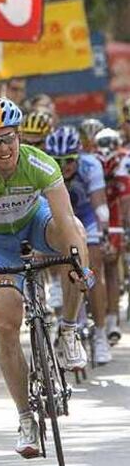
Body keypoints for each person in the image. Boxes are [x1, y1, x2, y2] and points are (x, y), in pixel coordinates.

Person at [0, 97, 93, 459]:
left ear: (19, 137)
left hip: (35, 225)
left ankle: (68, 329)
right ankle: (26, 417)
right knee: (6, 322)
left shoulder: (38, 163)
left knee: (74, 236)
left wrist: (79, 265)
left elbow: (66, 221)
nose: (4, 147)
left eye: (10, 138)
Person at [45, 126, 111, 364]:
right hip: (61, 218)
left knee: (93, 269)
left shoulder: (90, 165)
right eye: (58, 161)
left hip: (87, 217)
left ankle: (101, 334)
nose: (64, 166)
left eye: (69, 160)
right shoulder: (45, 168)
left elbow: (100, 205)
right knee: (51, 246)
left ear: (78, 155)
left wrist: (104, 234)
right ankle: (56, 287)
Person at [95, 128, 130, 344]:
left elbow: (126, 200)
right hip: (93, 211)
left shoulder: (124, 161)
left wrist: (124, 229)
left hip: (116, 212)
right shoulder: (91, 162)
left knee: (110, 264)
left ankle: (112, 319)